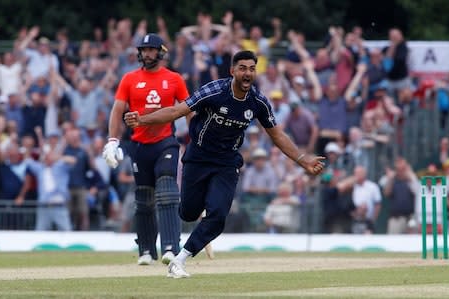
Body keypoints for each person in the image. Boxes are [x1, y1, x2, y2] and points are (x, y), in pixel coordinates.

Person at [124, 50, 325, 278]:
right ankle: (197, 213)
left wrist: (303, 160)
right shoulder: (214, 90)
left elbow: (277, 135)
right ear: (232, 71)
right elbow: (176, 111)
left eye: (251, 68)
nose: (247, 73)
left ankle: (180, 260)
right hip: (198, 158)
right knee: (188, 214)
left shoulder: (258, 102)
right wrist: (142, 119)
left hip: (227, 162)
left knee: (218, 216)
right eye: (242, 68)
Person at [102, 33, 190, 266]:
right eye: (144, 50)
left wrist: (196, 141)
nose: (147, 54)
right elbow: (117, 110)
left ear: (160, 52)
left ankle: (171, 246)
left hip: (165, 142)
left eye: (152, 50)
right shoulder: (129, 79)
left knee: (167, 188)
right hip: (139, 145)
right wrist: (112, 140)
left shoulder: (174, 79)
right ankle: (146, 250)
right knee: (144, 198)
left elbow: (189, 109)